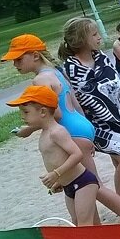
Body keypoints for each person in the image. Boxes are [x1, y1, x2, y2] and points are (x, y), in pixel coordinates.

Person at [2, 34, 120, 223]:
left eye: (19, 59)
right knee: (87, 186)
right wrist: (87, 132)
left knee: (95, 186)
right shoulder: (56, 71)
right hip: (81, 125)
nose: (15, 64)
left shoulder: (41, 80)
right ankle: (100, 227)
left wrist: (29, 128)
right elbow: (75, 103)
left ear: (35, 55)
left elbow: (56, 114)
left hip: (71, 130)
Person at [61, 18, 120, 211]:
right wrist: (84, 133)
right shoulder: (70, 69)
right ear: (80, 39)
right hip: (96, 124)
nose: (99, 37)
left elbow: (116, 87)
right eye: (94, 34)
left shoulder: (101, 57)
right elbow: (74, 101)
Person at [7, 85, 100, 226]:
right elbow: (57, 158)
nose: (22, 116)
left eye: (26, 112)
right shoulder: (45, 133)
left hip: (83, 182)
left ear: (43, 112)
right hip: (68, 185)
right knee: (78, 222)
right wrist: (59, 180)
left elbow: (77, 154)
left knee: (84, 225)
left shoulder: (57, 132)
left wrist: (56, 174)